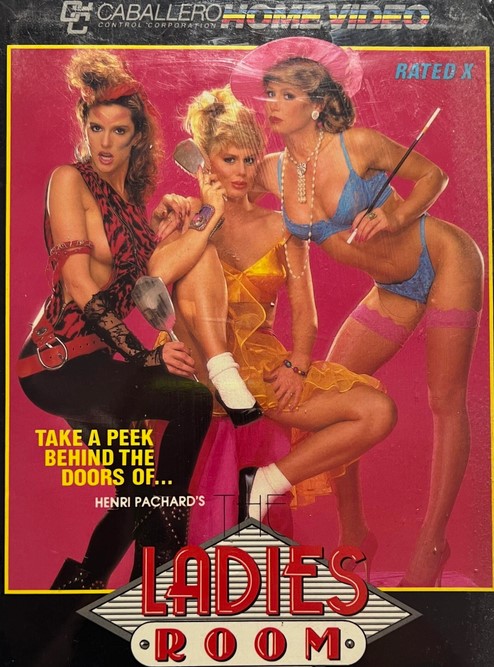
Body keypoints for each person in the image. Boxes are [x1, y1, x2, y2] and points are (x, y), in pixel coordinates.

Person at [230, 36, 484, 586]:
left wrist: (395, 218)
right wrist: (184, 206)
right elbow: (220, 186)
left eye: (286, 94)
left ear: (317, 103)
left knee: (444, 400)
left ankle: (433, 541)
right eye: (269, 93)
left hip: (444, 258)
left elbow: (433, 176)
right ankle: (354, 533)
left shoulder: (358, 145)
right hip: (392, 289)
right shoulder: (271, 170)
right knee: (339, 394)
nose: (272, 104)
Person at [149, 86, 397, 552]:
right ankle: (224, 374)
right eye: (229, 160)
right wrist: (208, 215)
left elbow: (306, 313)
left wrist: (298, 364)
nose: (242, 172)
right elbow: (156, 279)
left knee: (377, 411)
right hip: (202, 367)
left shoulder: (284, 225)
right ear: (205, 163)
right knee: (200, 258)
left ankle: (263, 485)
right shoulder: (188, 216)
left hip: (258, 373)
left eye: (249, 159)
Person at [16, 50, 214, 589]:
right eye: (95, 128)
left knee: (136, 496)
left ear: (136, 137)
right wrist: (144, 355)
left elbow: (137, 281)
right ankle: (164, 559)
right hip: (57, 366)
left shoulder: (130, 203)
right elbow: (81, 284)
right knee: (190, 402)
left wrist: (171, 224)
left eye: (119, 131)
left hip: (97, 364)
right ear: (84, 127)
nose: (104, 142)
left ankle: (74, 600)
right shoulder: (69, 180)